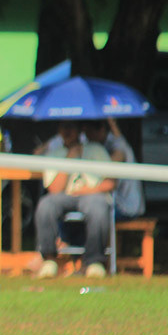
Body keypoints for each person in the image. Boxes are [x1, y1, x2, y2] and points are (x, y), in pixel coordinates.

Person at [34, 120, 114, 279]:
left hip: (92, 194)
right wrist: (70, 159)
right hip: (65, 196)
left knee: (98, 207)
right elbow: (55, 189)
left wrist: (90, 190)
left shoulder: (96, 150)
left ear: (80, 130)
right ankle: (49, 260)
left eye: (71, 127)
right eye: (63, 127)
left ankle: (94, 262)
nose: (67, 132)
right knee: (45, 204)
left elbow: (111, 182)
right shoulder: (54, 154)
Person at [84, 119, 145, 220]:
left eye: (89, 132)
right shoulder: (104, 144)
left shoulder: (117, 146)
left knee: (94, 210)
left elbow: (106, 173)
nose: (88, 138)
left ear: (101, 129)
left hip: (126, 208)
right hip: (115, 204)